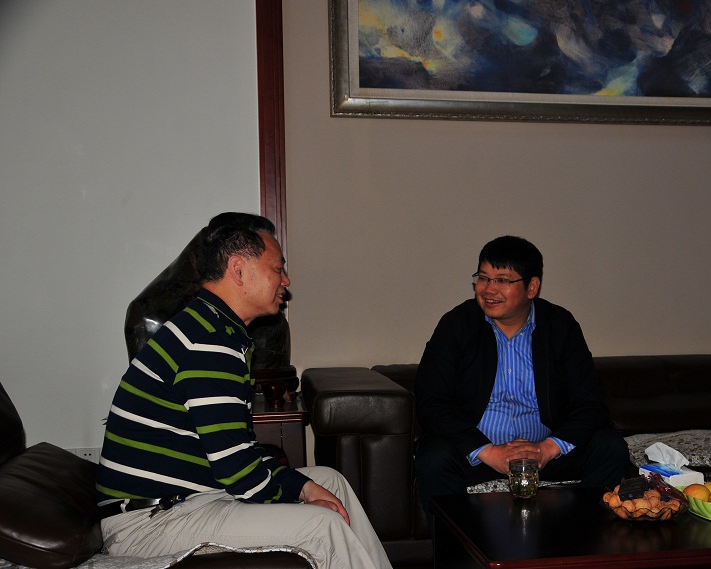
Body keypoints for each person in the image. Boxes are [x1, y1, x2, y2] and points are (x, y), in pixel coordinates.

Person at [96, 212, 391, 569]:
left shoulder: (216, 329)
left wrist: (305, 487)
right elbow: (236, 469)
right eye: (277, 268)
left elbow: (238, 450)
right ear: (238, 270)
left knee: (331, 481)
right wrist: (300, 490)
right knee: (321, 524)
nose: (286, 280)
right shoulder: (208, 341)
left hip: (191, 499)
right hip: (150, 522)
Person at [414, 235, 629, 530]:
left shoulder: (559, 325)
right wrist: (489, 452)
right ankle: (456, 551)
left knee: (609, 447)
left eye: (502, 280)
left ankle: (585, 543)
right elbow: (431, 402)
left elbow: (590, 403)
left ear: (532, 287)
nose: (488, 290)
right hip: (478, 454)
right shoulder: (457, 325)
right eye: (483, 278)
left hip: (543, 454)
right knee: (434, 458)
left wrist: (547, 449)